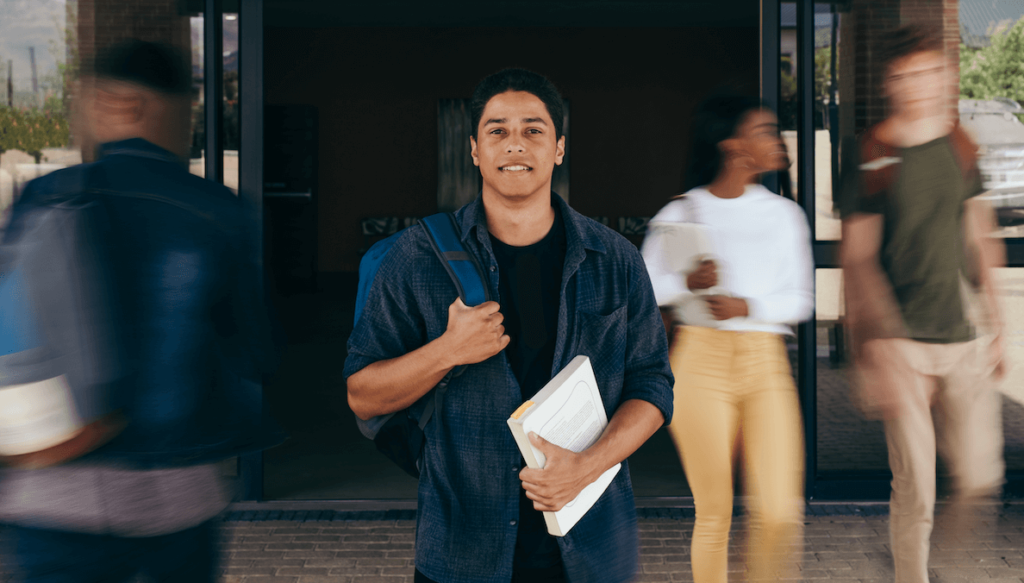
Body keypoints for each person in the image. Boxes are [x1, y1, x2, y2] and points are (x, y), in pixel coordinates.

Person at [344, 68, 674, 583]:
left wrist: (585, 467)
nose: (514, 144)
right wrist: (447, 350)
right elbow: (363, 396)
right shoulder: (414, 259)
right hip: (462, 551)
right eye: (497, 130)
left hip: (591, 549)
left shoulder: (615, 259)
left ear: (559, 148)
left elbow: (653, 385)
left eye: (533, 130)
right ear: (475, 150)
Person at [0, 40, 283, 582]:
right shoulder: (219, 211)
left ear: (120, 104)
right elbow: (260, 352)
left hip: (52, 492)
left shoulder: (43, 198)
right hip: (178, 497)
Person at [838, 24, 1005, 583]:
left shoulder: (960, 145)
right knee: (917, 489)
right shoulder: (872, 152)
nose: (918, 86)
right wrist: (876, 346)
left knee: (982, 478)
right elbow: (858, 257)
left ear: (946, 77)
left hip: (961, 337)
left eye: (929, 74)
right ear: (890, 82)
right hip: (900, 344)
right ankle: (913, 573)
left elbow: (981, 234)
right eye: (905, 77)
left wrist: (1000, 323)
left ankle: (931, 563)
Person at [641, 93, 814, 583]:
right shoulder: (682, 213)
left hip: (765, 364)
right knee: (714, 510)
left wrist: (748, 307)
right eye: (763, 131)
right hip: (699, 362)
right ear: (733, 145)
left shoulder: (785, 215)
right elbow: (645, 287)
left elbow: (801, 298)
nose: (776, 140)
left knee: (780, 512)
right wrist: (686, 285)